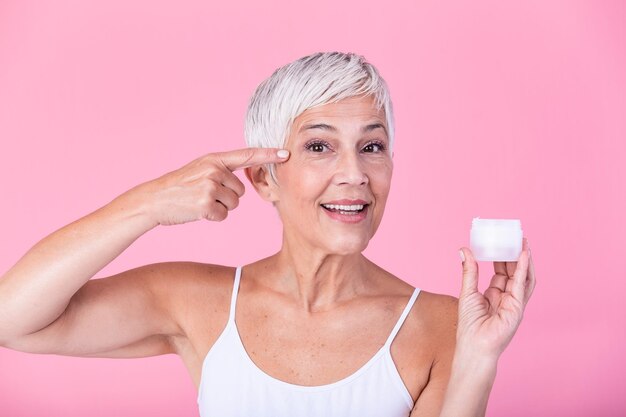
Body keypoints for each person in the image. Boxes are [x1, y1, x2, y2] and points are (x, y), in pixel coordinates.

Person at [0, 51, 536, 416]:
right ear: (264, 178)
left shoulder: (444, 323)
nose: (354, 174)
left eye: (372, 146)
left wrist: (480, 358)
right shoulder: (199, 303)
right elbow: (13, 319)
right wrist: (149, 203)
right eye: (319, 146)